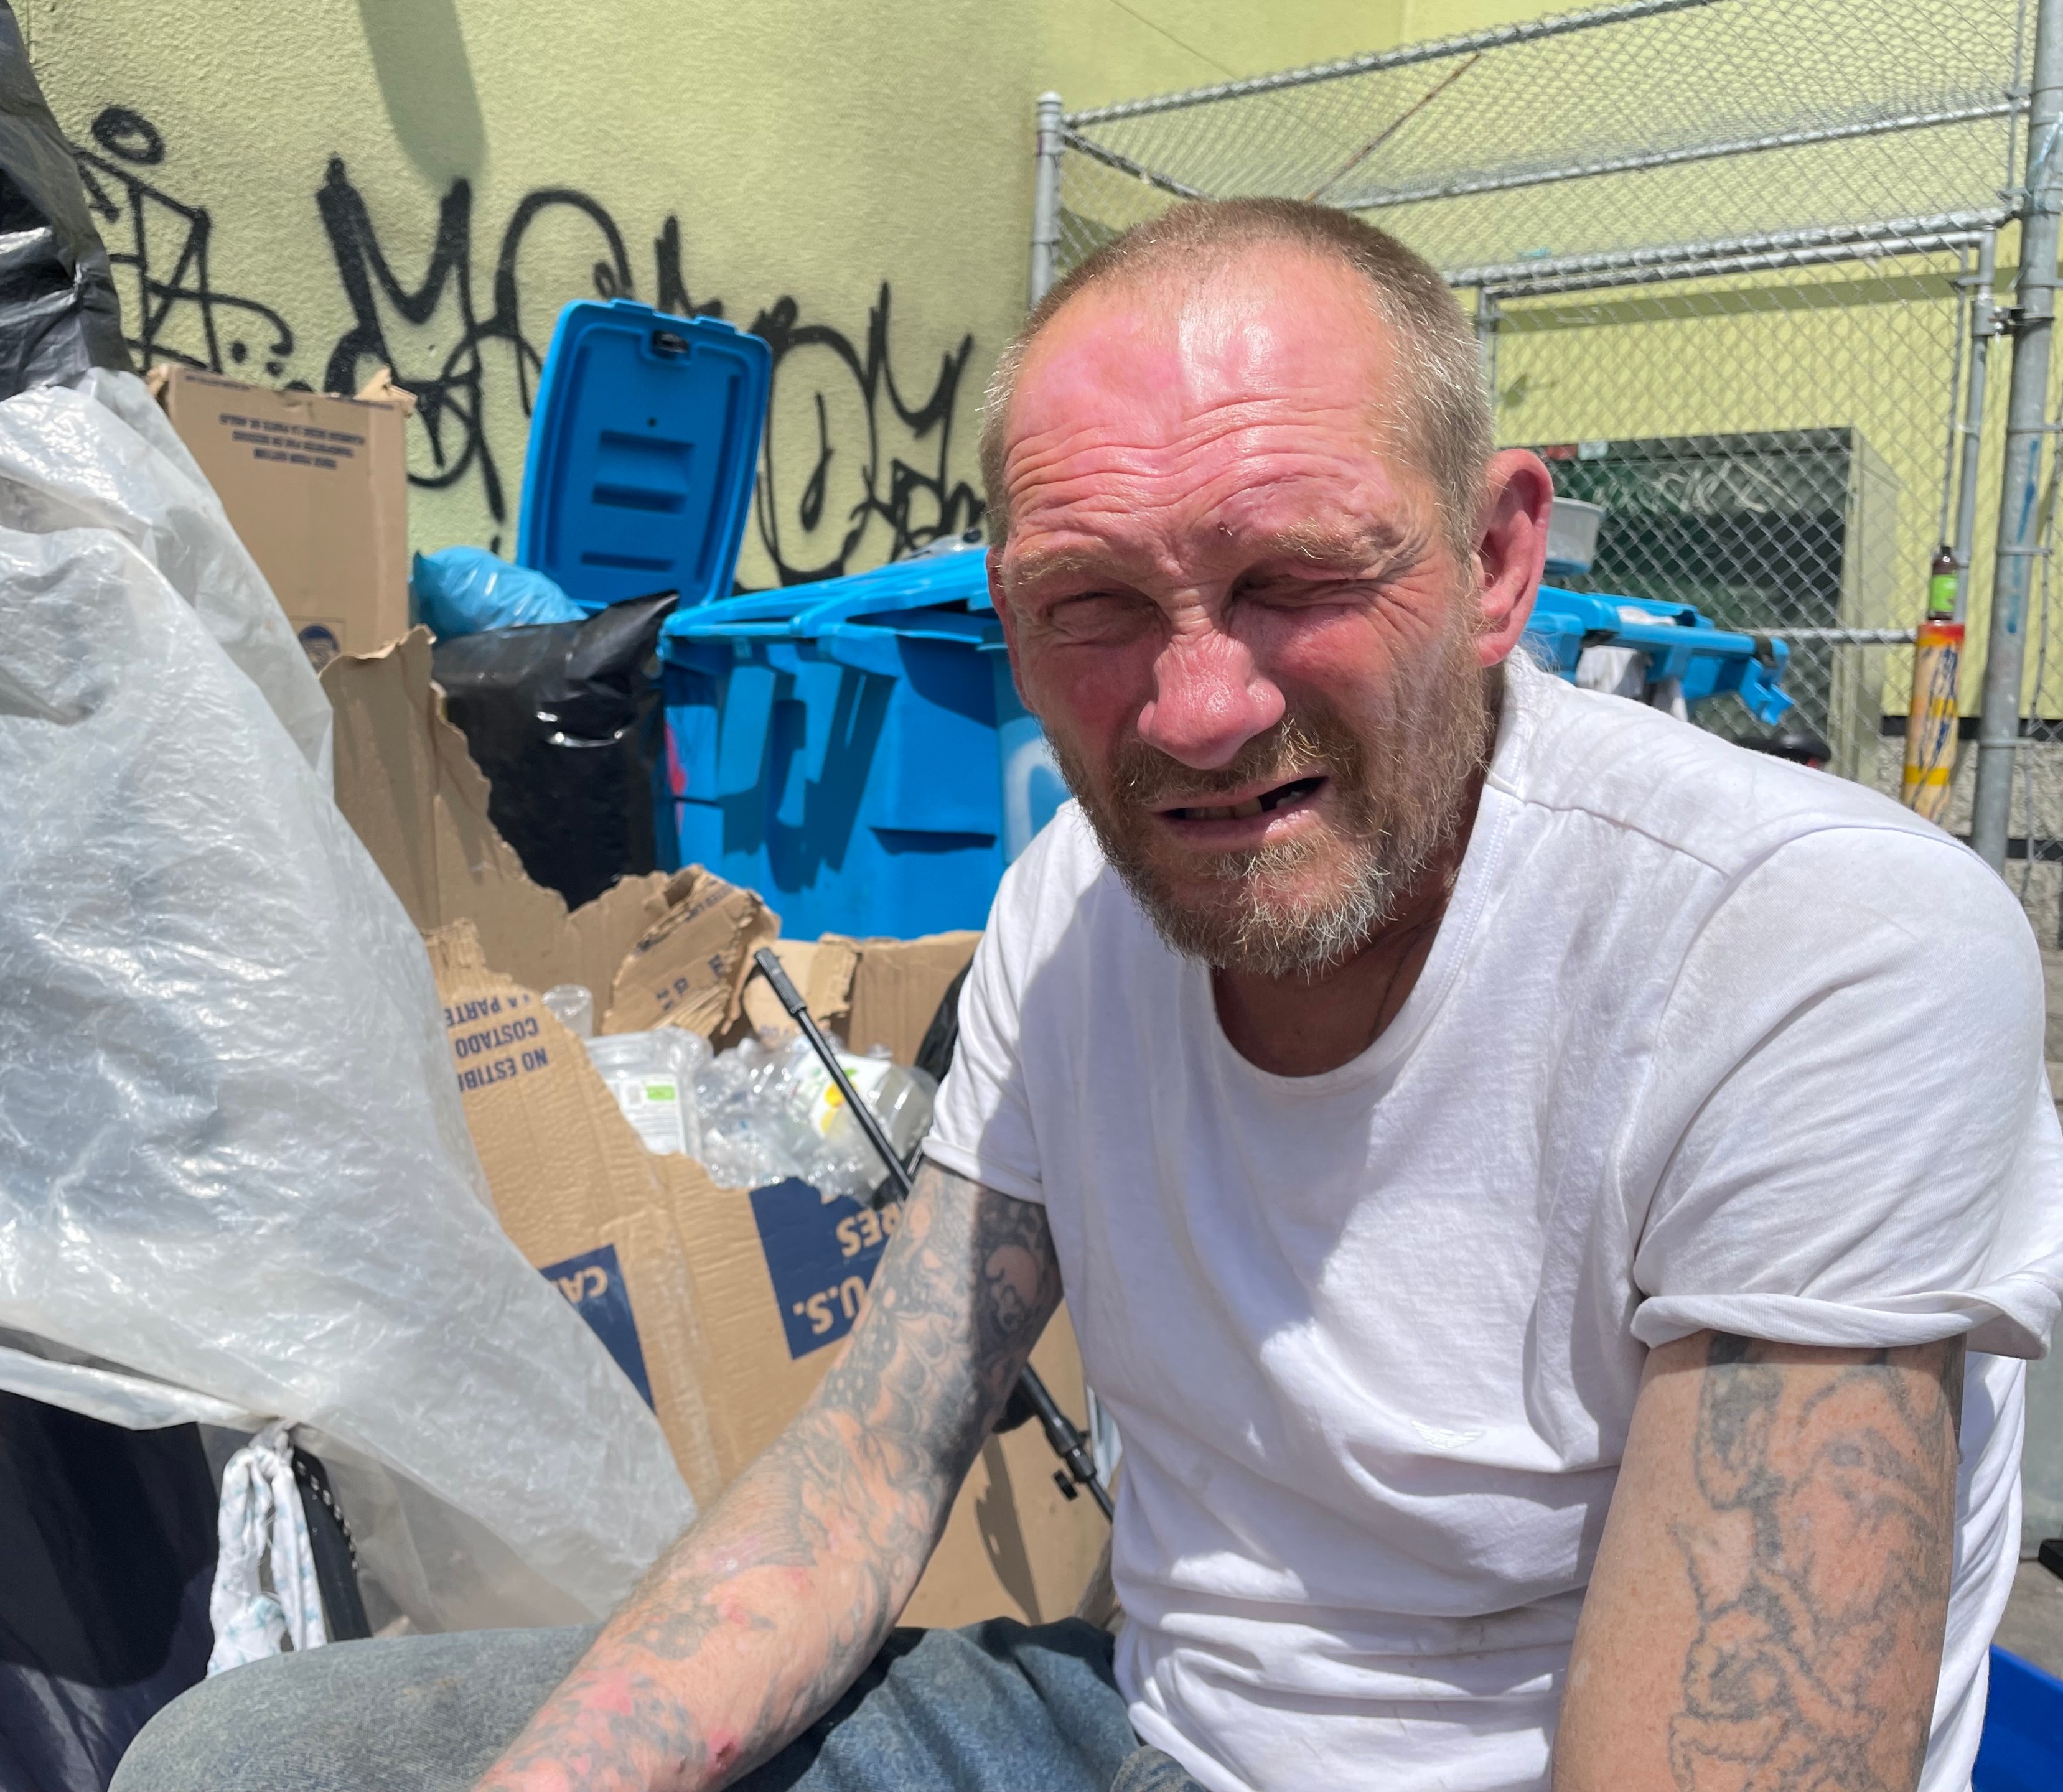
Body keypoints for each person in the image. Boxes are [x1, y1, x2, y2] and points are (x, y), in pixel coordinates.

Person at [115, 198, 2063, 1792]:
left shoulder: (1816, 952)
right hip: (1142, 1728)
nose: (1201, 713)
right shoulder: (1072, 908)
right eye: (1098, 603)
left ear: (1493, 559)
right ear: (1009, 620)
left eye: (1299, 571)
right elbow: (872, 1461)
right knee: (250, 1762)